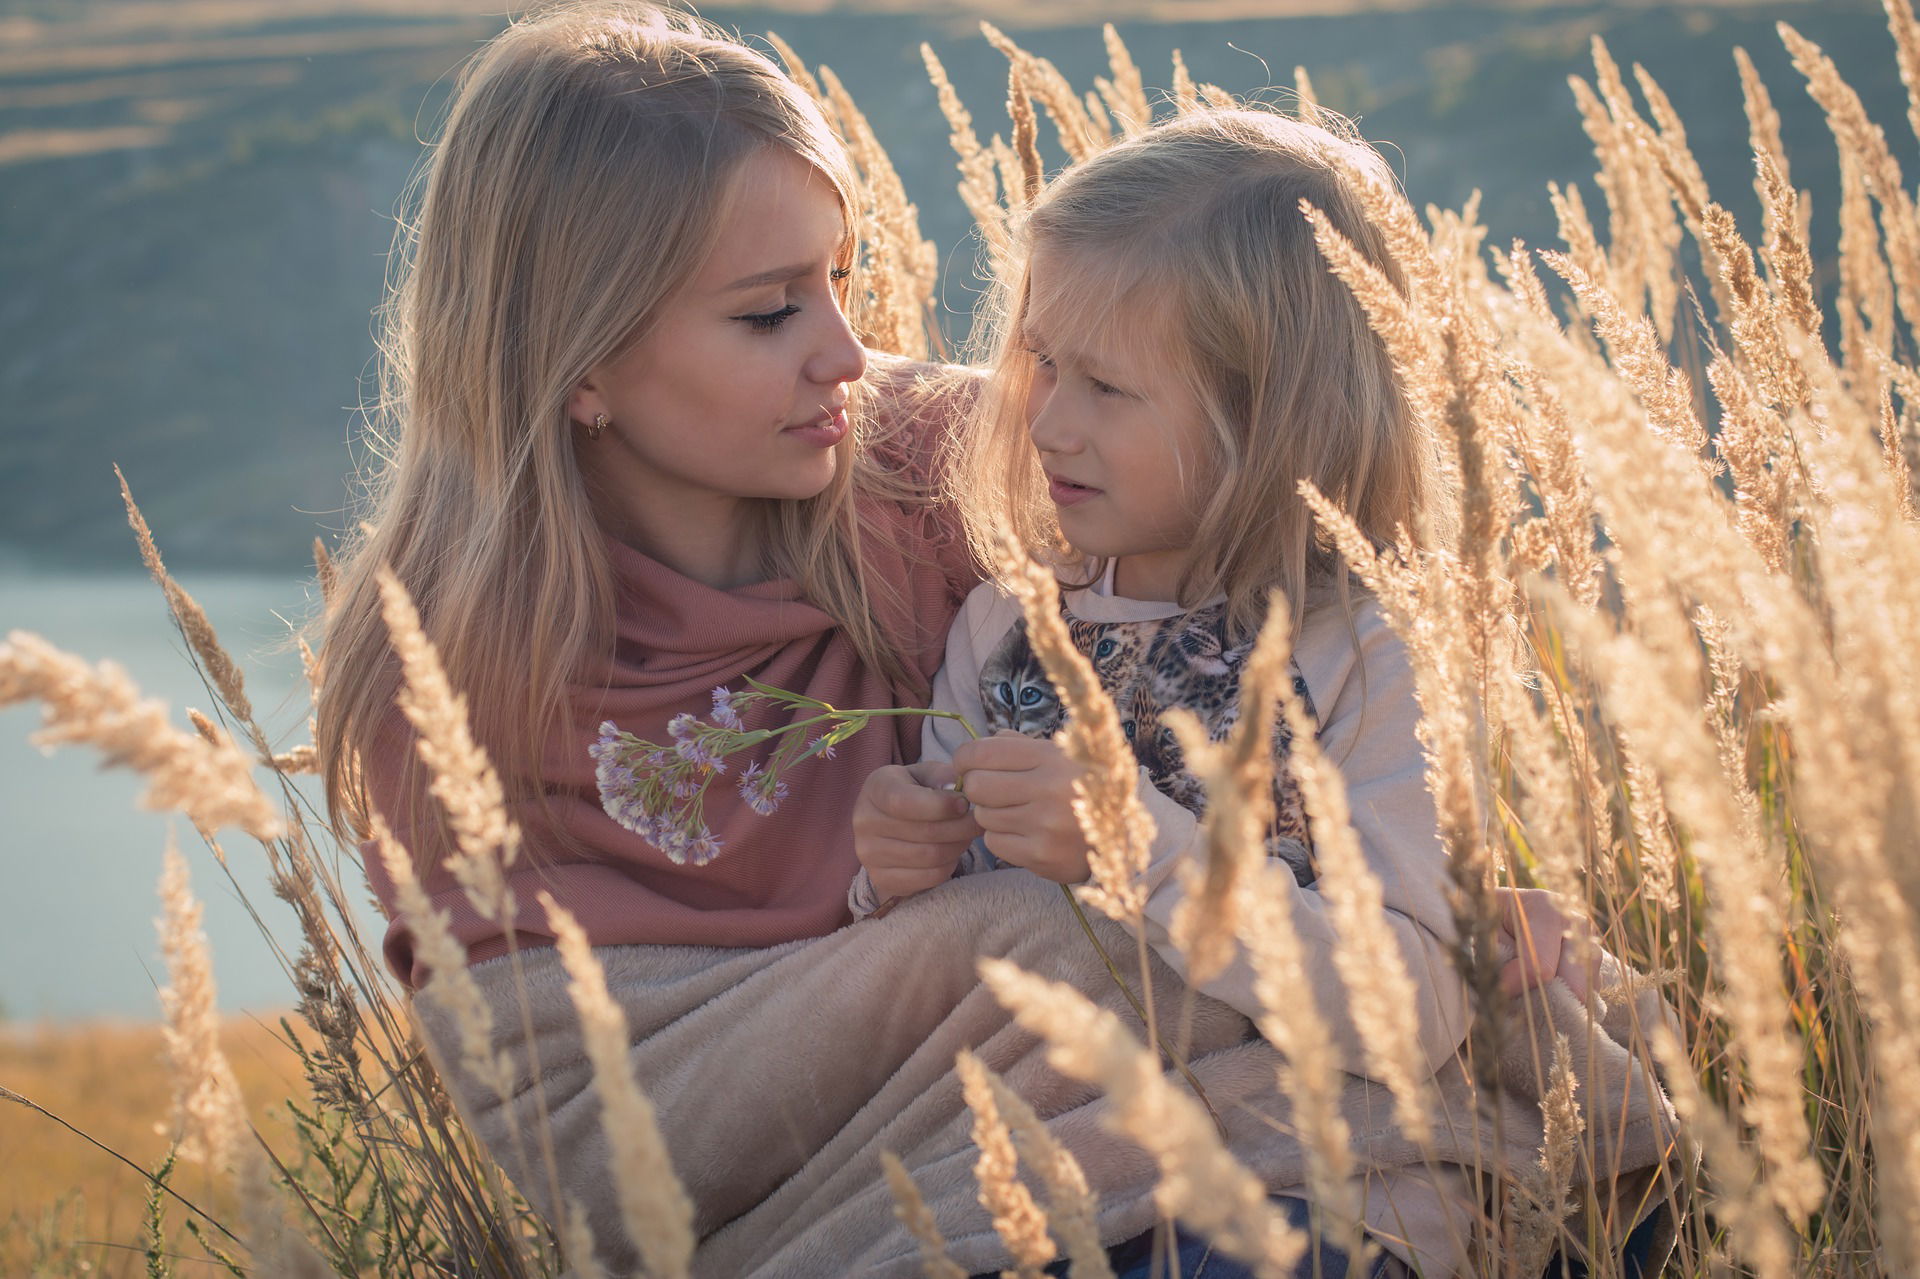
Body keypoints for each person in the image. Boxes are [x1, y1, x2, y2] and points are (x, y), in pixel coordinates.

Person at [315, 5, 1652, 1275]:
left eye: (841, 282)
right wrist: (915, 900)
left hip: (1039, 1028)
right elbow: (551, 1101)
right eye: (771, 309)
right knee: (1033, 938)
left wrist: (1421, 882)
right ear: (579, 360)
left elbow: (1257, 606)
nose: (848, 350)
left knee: (1130, 949)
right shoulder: (442, 659)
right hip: (717, 1076)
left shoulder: (932, 466)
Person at [850, 108, 1669, 1277]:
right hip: (1072, 1156)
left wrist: (1142, 846)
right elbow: (945, 968)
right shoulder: (1008, 632)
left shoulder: (1365, 657)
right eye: (1040, 362)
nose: (1046, 416)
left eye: (1108, 387)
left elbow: (1413, 1008)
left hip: (1321, 1177)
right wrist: (892, 870)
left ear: (1270, 412)